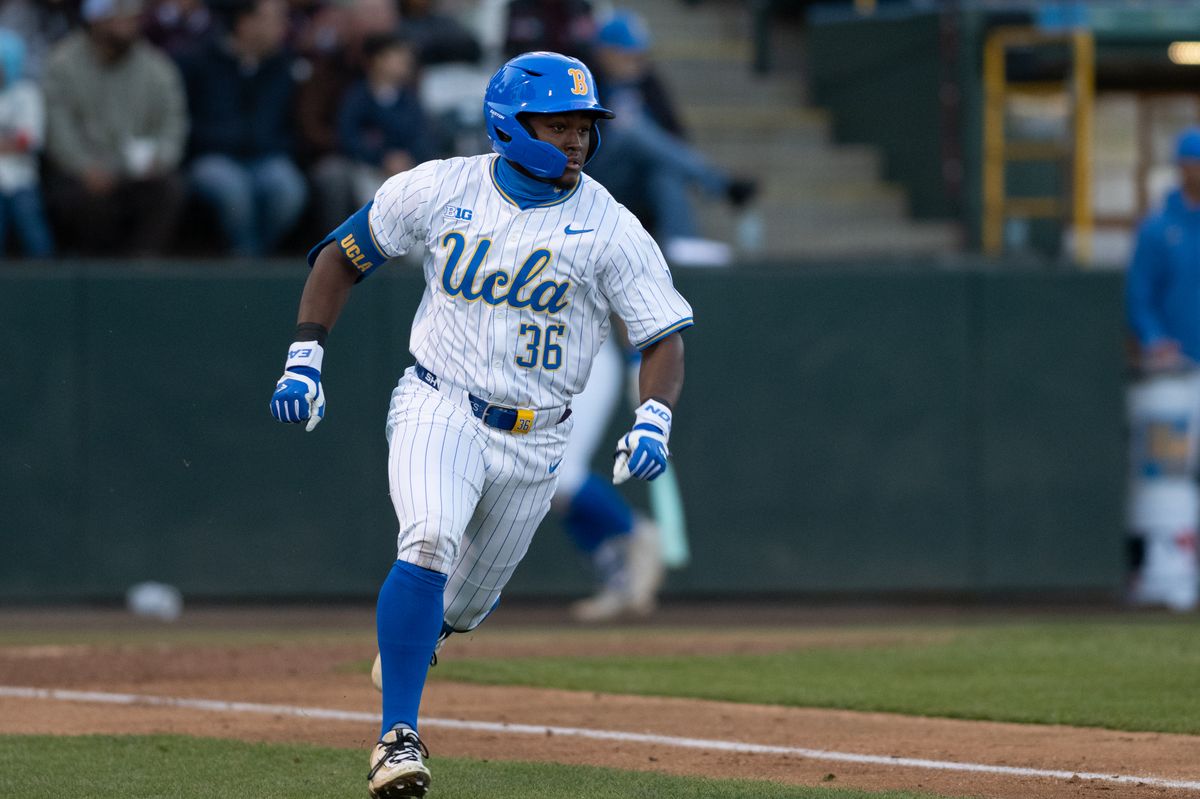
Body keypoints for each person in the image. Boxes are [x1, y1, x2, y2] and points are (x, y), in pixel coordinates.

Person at [268, 51, 692, 798]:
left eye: (583, 127)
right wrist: (305, 356)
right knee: (427, 539)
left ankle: (425, 634)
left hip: (539, 439)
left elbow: (660, 336)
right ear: (510, 124)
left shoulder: (611, 227)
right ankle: (397, 737)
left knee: (462, 603)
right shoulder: (440, 187)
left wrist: (653, 417)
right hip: (440, 400)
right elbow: (343, 255)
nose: (573, 141)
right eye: (556, 125)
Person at [585, 10, 757, 265]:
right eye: (628, 55)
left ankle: (682, 244)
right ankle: (720, 184)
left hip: (637, 184)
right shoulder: (587, 81)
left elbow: (676, 136)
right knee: (631, 131)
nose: (637, 63)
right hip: (596, 177)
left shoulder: (648, 82)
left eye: (640, 56)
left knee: (664, 170)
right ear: (605, 53)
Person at [41, 0, 188, 257]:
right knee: (81, 200)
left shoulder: (157, 68)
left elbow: (173, 124)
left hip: (138, 174)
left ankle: (140, 271)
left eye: (131, 18)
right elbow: (58, 130)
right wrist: (84, 167)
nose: (127, 26)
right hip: (83, 174)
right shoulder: (63, 63)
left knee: (169, 190)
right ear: (97, 20)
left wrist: (159, 158)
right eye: (118, 17)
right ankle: (95, 272)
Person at [1124, 126, 1200, 611]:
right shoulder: (1158, 228)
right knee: (1167, 476)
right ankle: (1166, 571)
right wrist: (1154, 340)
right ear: (1182, 166)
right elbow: (1138, 297)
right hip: (1176, 372)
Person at [176, 0, 307, 256]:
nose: (283, 27)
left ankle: (256, 258)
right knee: (232, 189)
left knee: (287, 188)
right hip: (213, 155)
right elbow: (187, 121)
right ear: (245, 23)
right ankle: (246, 259)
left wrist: (271, 143)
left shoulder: (283, 66)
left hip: (266, 156)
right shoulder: (201, 61)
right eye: (275, 19)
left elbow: (290, 125)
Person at [336, 33, 434, 207]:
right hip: (366, 167)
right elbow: (348, 135)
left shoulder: (410, 100)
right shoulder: (358, 97)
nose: (406, 60)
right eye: (396, 55)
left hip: (407, 168)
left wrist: (408, 157)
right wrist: (381, 158)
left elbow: (422, 134)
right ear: (377, 60)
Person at [0, 29, 54, 258]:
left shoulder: (28, 94)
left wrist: (12, 143)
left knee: (36, 238)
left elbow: (29, 139)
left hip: (22, 180)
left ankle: (49, 286)